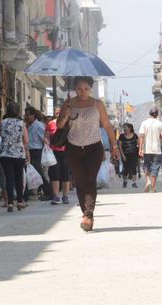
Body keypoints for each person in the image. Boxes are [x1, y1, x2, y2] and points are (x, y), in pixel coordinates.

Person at [57, 76, 119, 232]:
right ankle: (85, 213)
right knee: (79, 180)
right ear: (75, 89)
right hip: (73, 147)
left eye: (86, 89)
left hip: (93, 147)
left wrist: (114, 145)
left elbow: (106, 125)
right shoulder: (68, 104)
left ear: (91, 89)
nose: (82, 92)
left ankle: (88, 215)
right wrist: (65, 115)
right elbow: (59, 125)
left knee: (90, 179)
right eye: (79, 89)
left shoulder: (97, 104)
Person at [0, 102, 30, 212]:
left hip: (5, 154)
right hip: (19, 154)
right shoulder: (22, 123)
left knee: (9, 178)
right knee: (19, 178)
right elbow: (26, 141)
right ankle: (20, 201)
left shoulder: (2, 122)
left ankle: (10, 203)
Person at [24, 106, 52, 201]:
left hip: (36, 151)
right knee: (30, 172)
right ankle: (26, 193)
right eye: (25, 115)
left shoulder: (39, 126)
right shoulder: (29, 126)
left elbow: (44, 139)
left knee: (38, 173)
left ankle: (49, 192)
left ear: (33, 115)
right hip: (30, 151)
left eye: (28, 115)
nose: (26, 117)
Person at [46, 107, 71, 204]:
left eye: (60, 113)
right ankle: (56, 196)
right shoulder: (51, 123)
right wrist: (46, 142)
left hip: (66, 151)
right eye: (56, 113)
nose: (58, 115)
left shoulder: (68, 123)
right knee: (54, 173)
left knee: (65, 174)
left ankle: (65, 196)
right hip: (53, 152)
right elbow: (46, 136)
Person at [139, 107, 162, 193]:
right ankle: (153, 188)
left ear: (149, 114)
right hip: (157, 149)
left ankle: (148, 181)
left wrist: (140, 149)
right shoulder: (160, 124)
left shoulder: (144, 123)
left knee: (146, 166)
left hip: (147, 149)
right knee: (155, 168)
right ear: (157, 114)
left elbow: (141, 137)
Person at [118, 123, 139, 188]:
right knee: (125, 168)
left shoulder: (135, 135)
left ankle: (134, 183)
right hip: (125, 155)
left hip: (133, 154)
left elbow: (138, 144)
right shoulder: (121, 136)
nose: (124, 129)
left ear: (130, 128)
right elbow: (119, 146)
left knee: (133, 168)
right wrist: (122, 155)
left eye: (125, 127)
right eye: (123, 127)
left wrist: (139, 152)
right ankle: (125, 181)